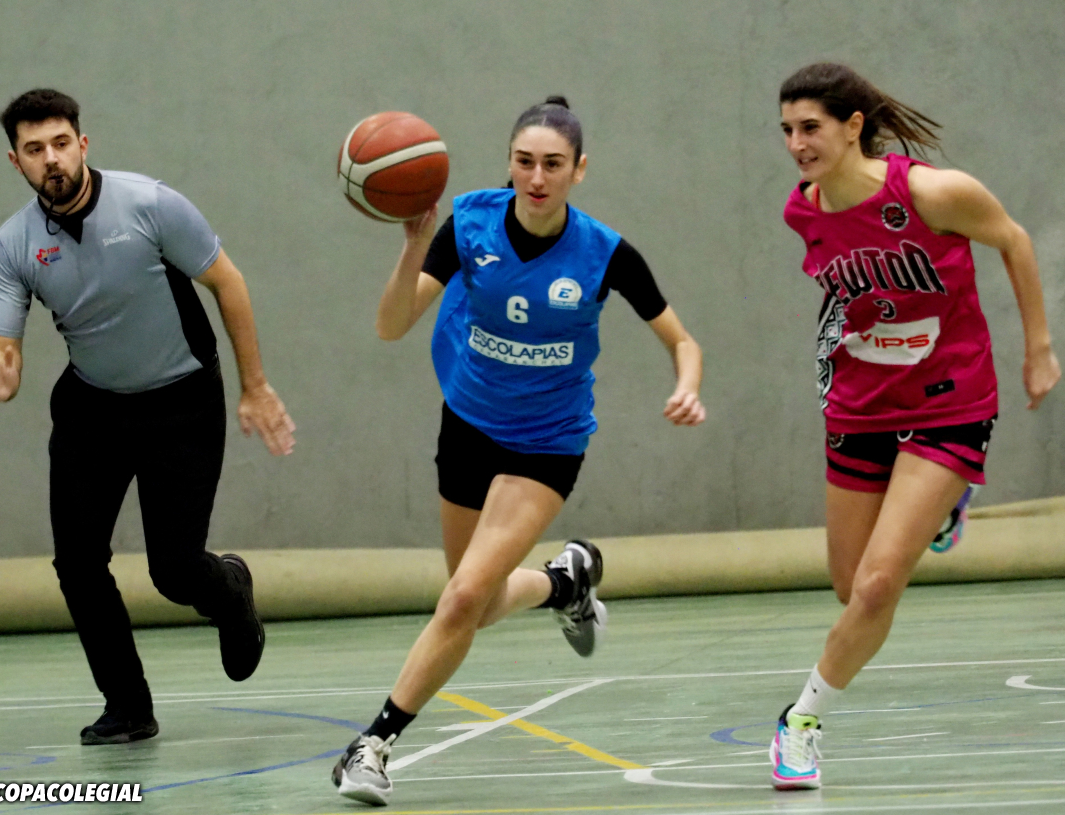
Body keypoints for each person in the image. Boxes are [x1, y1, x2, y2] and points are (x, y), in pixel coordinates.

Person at [332, 96, 705, 805]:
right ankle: (565, 582)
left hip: (546, 443)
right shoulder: (468, 224)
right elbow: (391, 325)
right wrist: (412, 244)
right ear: (508, 162)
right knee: (472, 603)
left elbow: (681, 339)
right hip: (468, 425)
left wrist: (686, 385)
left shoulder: (605, 253)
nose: (537, 177)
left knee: (462, 598)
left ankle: (372, 745)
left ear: (579, 170)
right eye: (525, 162)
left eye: (553, 165)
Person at [769, 63, 1060, 790]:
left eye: (811, 127)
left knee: (877, 588)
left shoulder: (930, 193)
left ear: (852, 126)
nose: (797, 143)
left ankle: (800, 722)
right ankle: (944, 509)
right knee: (849, 585)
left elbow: (1014, 240)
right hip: (862, 404)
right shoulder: (803, 212)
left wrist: (1038, 348)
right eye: (787, 130)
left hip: (951, 398)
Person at [0, 89, 296, 745]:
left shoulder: (149, 205)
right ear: (17, 161)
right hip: (91, 410)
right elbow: (4, 347)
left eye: (61, 143)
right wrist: (3, 369)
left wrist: (256, 387)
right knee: (77, 564)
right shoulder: (14, 244)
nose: (51, 159)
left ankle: (231, 588)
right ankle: (128, 706)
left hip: (182, 402)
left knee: (174, 571)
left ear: (82, 144)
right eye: (35, 149)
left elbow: (228, 283)